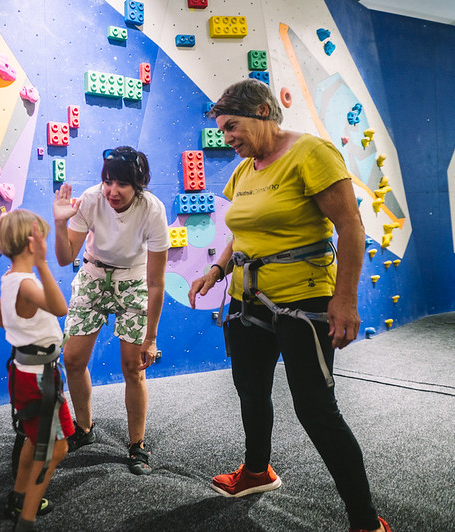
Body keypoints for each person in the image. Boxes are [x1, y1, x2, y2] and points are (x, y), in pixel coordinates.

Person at [188, 79, 390, 532]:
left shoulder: (311, 153)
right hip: (246, 301)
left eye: (233, 127)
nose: (228, 138)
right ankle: (257, 471)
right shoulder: (244, 170)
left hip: (304, 301)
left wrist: (346, 298)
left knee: (315, 408)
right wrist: (217, 271)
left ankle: (365, 520)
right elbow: (240, 231)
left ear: (263, 111)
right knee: (251, 389)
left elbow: (351, 227)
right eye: (223, 130)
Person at [52, 146, 169, 475]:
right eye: (108, 181)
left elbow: (157, 282)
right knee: (72, 360)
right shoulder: (90, 199)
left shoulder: (152, 210)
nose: (112, 191)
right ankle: (85, 429)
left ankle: (137, 445)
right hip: (92, 277)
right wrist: (60, 225)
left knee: (134, 368)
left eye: (122, 184)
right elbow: (64, 257)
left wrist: (151, 338)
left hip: (133, 282)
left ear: (138, 184)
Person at [0, 209, 74, 531]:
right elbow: (60, 307)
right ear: (32, 244)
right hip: (40, 378)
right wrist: (42, 264)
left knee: (32, 440)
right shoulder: (26, 282)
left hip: (25, 373)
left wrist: (24, 326)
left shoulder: (9, 279)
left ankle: (18, 496)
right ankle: (26, 515)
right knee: (55, 447)